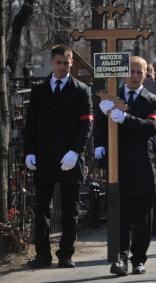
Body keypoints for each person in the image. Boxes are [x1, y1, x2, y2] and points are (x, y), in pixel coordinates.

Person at [24, 44, 93, 268]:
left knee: (70, 210)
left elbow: (86, 126)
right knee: (42, 208)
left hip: (70, 160)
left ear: (71, 63)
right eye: (58, 62)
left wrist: (75, 151)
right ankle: (42, 254)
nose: (63, 67)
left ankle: (66, 254)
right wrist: (30, 152)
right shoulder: (40, 90)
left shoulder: (81, 90)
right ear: (52, 63)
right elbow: (31, 124)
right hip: (44, 158)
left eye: (66, 62)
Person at [94, 56, 156, 276]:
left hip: (144, 164)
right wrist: (100, 145)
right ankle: (121, 259)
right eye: (131, 71)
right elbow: (100, 125)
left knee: (143, 219)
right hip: (119, 165)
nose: (134, 76)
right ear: (124, 73)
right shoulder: (112, 98)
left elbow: (152, 127)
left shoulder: (153, 100)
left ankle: (139, 259)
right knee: (121, 217)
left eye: (139, 72)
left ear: (145, 75)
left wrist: (125, 118)